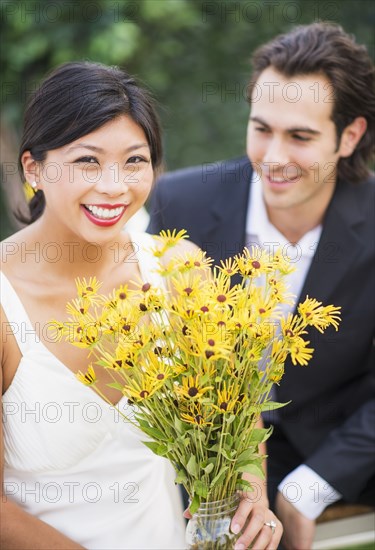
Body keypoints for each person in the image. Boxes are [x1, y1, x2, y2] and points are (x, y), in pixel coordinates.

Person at [0, 62, 282, 550]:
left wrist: (252, 491)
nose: (115, 186)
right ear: (33, 168)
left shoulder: (179, 271)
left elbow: (237, 404)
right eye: (88, 161)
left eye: (135, 160)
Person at [147, 22, 375, 550]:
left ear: (351, 136)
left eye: (300, 136)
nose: (273, 157)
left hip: (340, 447)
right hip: (207, 453)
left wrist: (309, 489)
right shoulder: (178, 203)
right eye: (261, 128)